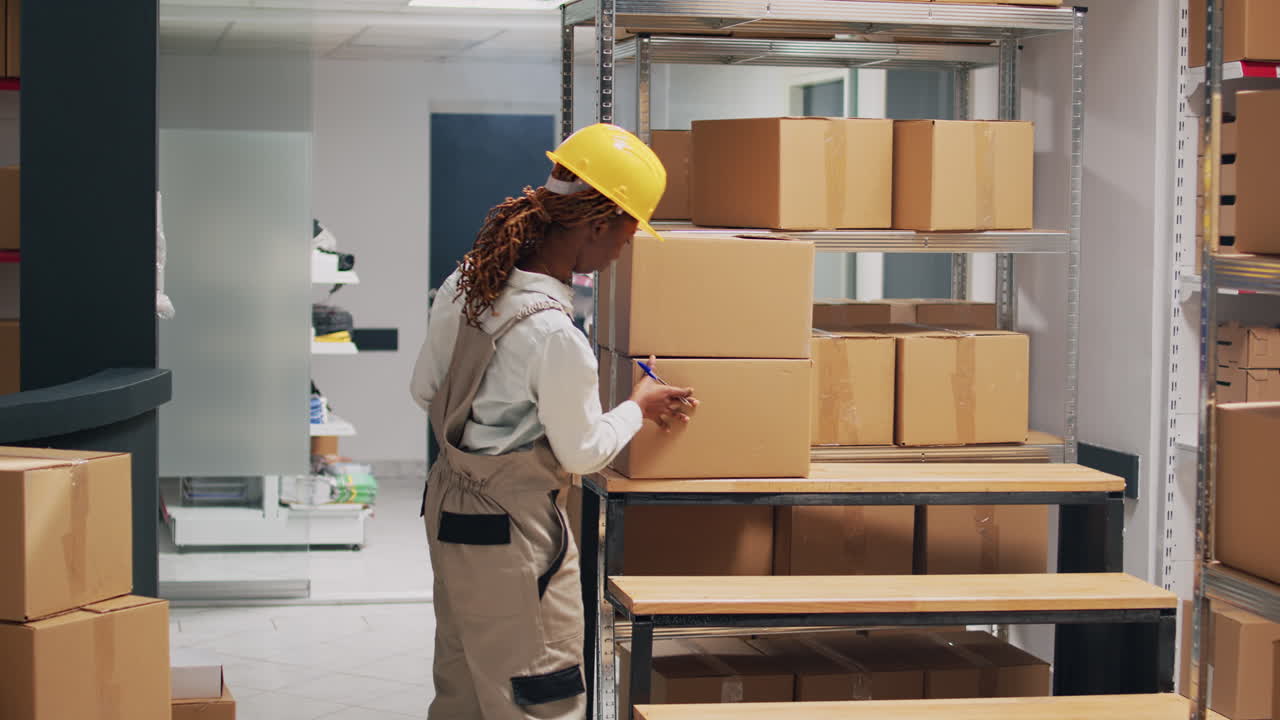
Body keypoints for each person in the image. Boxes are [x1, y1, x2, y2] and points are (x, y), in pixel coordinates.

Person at [410, 123, 697, 720]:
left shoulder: (466, 286)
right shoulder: (554, 335)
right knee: (541, 696)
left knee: (464, 688)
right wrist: (638, 406)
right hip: (515, 542)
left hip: (450, 521)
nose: (624, 250)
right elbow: (582, 453)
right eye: (625, 233)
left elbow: (424, 392)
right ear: (595, 225)